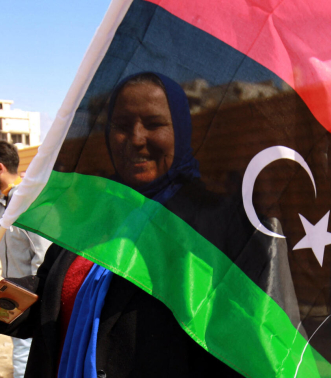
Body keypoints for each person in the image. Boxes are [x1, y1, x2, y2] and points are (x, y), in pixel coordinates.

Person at [0, 73, 245, 377]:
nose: (137, 138)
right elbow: (50, 295)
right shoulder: (95, 212)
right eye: (122, 126)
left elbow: (238, 344)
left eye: (154, 124)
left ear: (182, 130)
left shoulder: (213, 224)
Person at [0, 141, 51, 378]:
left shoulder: (29, 203)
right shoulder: (4, 203)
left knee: (24, 358)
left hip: (28, 300)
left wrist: (26, 298)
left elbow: (43, 256)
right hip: (11, 298)